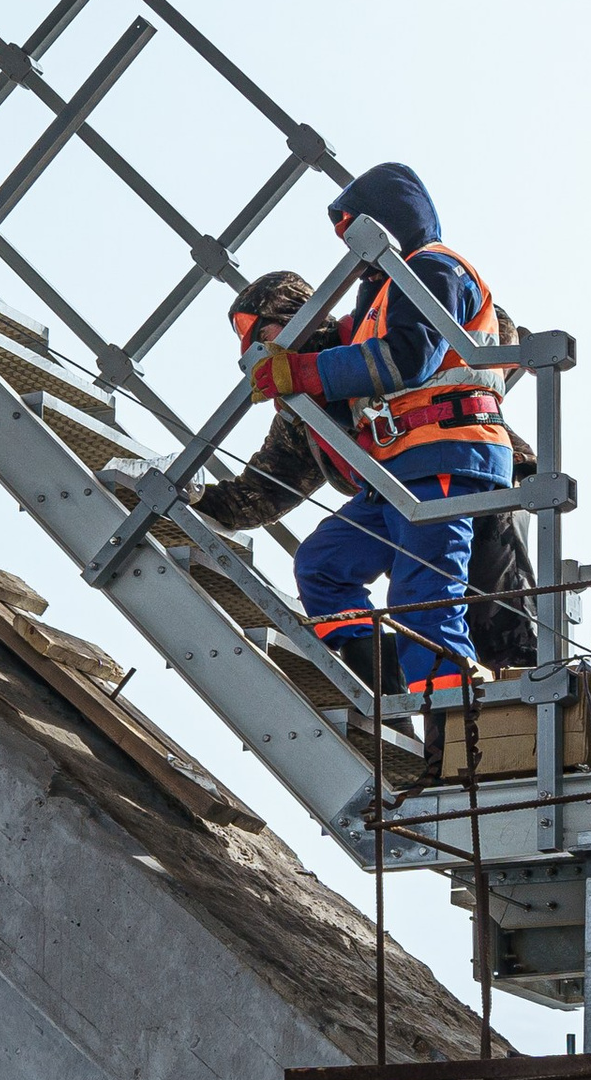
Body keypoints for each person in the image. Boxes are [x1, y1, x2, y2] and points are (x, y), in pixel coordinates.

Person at [243, 163, 516, 700]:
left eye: (354, 229)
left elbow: (410, 357)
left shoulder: (434, 269)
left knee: (424, 595)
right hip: (397, 468)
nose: (351, 246)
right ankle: (381, 678)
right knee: (323, 565)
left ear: (387, 219)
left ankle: (455, 737)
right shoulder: (386, 294)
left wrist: (302, 373)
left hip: (444, 455)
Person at [202, 266, 543, 669]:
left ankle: (527, 711)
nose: (253, 351)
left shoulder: (371, 335)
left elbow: (466, 318)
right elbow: (259, 494)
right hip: (393, 496)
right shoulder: (302, 416)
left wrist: (519, 345)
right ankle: (384, 689)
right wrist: (193, 494)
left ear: (299, 316)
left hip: (473, 473)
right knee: (322, 568)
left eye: (261, 334)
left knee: (501, 632)